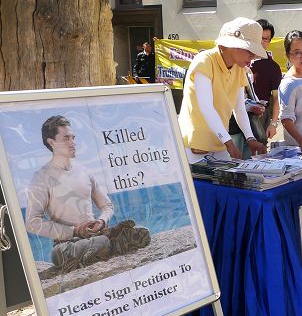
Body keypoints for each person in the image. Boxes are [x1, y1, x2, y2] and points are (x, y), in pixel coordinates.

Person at [25, 115, 150, 273]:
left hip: (96, 233)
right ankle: (110, 244)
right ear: (51, 142)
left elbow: (107, 206)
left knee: (142, 233)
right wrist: (75, 231)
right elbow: (32, 223)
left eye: (73, 137)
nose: (73, 143)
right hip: (67, 243)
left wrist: (102, 221)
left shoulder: (84, 171)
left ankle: (106, 245)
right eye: (66, 138)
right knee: (62, 253)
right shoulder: (41, 177)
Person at [178, 17, 268, 163]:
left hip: (221, 145)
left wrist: (250, 138)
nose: (253, 55)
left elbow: (239, 108)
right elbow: (206, 107)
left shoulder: (240, 68)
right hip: (194, 147)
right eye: (249, 49)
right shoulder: (204, 61)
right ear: (230, 45)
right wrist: (229, 142)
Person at [229, 19, 283, 158]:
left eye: (266, 39)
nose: (262, 42)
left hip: (258, 120)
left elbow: (276, 98)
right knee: (234, 160)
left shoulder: (273, 67)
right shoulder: (236, 63)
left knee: (256, 161)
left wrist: (273, 123)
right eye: (259, 38)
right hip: (232, 124)